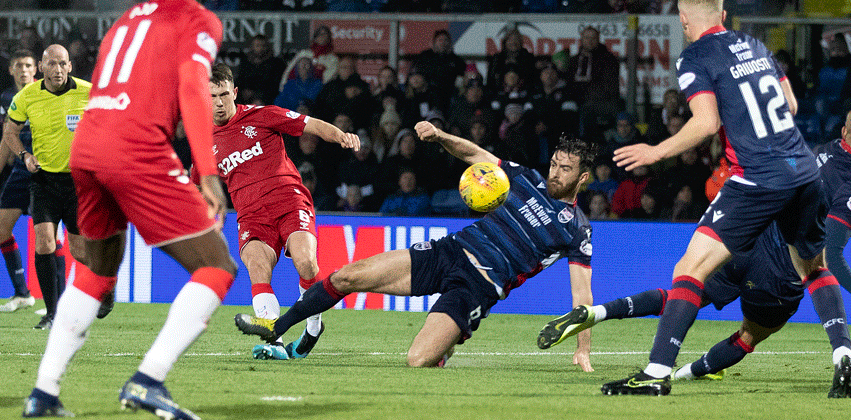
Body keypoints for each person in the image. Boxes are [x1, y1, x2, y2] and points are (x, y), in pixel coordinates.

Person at [546, 105, 851, 397]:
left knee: (683, 288)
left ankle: (596, 312)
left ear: (843, 132)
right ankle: (838, 356)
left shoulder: (816, 153)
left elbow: (818, 209)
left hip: (747, 245)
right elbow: (832, 250)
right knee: (751, 333)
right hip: (781, 276)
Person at [235, 121, 597, 371]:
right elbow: (475, 154)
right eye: (553, 164)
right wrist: (440, 136)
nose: (554, 173)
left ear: (581, 177)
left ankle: (448, 341)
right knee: (348, 275)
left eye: (565, 169)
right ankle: (276, 328)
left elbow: (583, 297)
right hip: (448, 252)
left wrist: (582, 350)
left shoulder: (576, 231)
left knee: (417, 360)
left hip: (477, 286)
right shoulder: (525, 178)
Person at [21, 1, 234, 418]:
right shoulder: (197, 19)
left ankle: (43, 392)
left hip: (87, 144)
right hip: (135, 146)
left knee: (97, 272)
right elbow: (194, 85)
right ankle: (149, 379)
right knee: (217, 265)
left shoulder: (129, 17)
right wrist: (207, 170)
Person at [607, 0, 828, 396]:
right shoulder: (755, 45)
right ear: (723, 15)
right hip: (806, 171)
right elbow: (791, 106)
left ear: (684, 19)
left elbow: (706, 123)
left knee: (689, 269)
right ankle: (843, 353)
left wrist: (656, 151)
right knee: (814, 268)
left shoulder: (695, 55)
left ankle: (657, 373)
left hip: (760, 176)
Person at [205, 63, 360, 360]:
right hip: (250, 216)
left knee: (306, 265)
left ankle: (313, 326)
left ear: (234, 92)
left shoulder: (262, 116)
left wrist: (340, 135)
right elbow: (201, 182)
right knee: (256, 266)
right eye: (212, 96)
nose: (219, 102)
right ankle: (272, 339)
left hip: (289, 202)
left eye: (224, 94)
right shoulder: (203, 140)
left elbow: (309, 124)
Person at [0, 44, 95, 330]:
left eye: (62, 64)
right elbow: (9, 131)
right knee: (44, 242)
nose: (57, 70)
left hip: (77, 181)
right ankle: (52, 313)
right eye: (51, 64)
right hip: (41, 177)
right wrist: (24, 155)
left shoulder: (89, 92)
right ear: (43, 67)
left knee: (80, 251)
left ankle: (103, 287)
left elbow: (113, 123)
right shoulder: (25, 96)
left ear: (69, 66)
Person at [0, 49, 39, 313]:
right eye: (19, 66)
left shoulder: (45, 93)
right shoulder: (7, 97)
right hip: (20, 171)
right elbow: (6, 137)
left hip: (46, 170)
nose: (23, 70)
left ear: (36, 70)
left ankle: (57, 305)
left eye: (28, 65)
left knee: (49, 235)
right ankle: (22, 293)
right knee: (1, 229)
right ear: (12, 70)